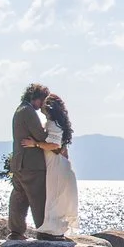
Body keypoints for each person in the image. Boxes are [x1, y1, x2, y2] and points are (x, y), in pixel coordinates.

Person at [7, 82, 53, 239]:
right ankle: (44, 232)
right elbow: (41, 136)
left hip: (19, 163)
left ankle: (16, 231)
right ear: (35, 97)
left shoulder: (19, 110)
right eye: (42, 101)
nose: (42, 106)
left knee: (19, 199)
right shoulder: (28, 112)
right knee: (38, 198)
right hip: (32, 164)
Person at [37, 90, 80, 238]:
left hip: (55, 164)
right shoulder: (58, 123)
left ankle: (52, 231)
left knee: (54, 197)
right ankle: (55, 231)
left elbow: (54, 145)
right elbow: (63, 149)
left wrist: (35, 144)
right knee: (56, 197)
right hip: (60, 163)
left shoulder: (52, 123)